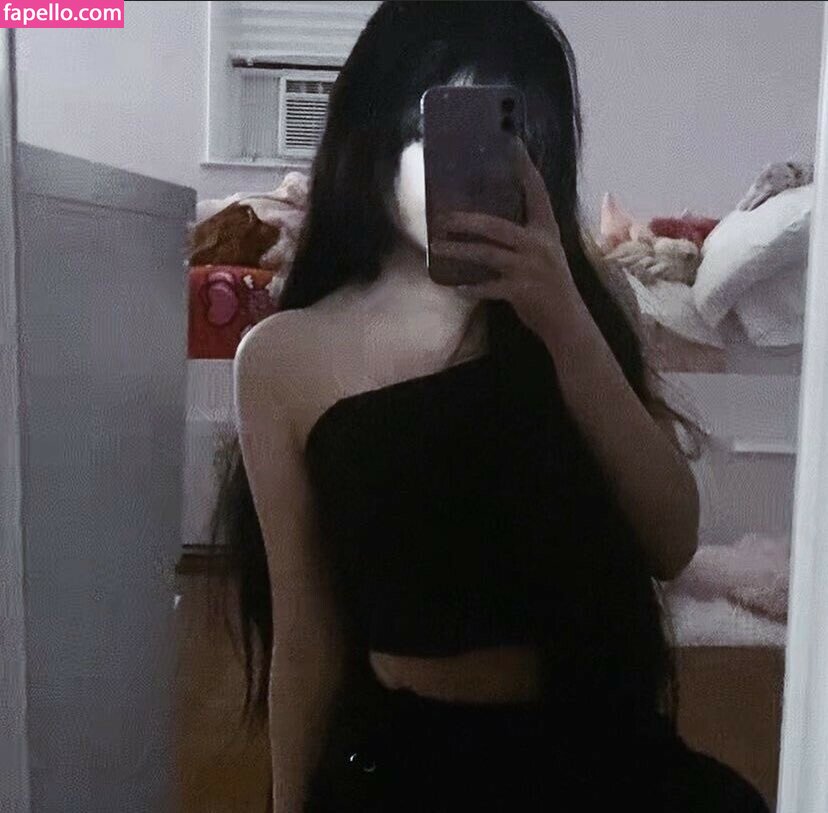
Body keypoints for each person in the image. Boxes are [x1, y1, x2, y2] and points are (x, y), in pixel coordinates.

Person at [210, 3, 771, 810]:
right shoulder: (283, 356)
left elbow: (671, 538)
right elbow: (307, 632)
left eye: (508, 133)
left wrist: (565, 321)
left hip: (599, 746)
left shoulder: (587, 301)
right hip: (412, 765)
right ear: (371, 132)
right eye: (438, 129)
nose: (468, 164)